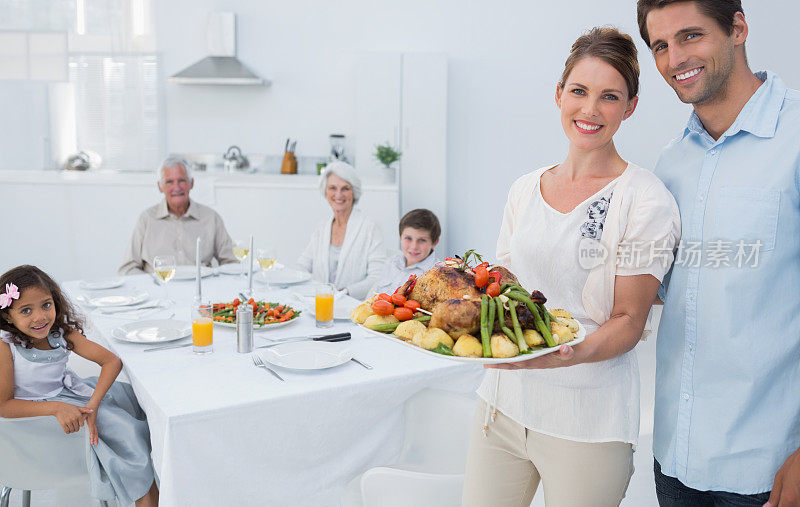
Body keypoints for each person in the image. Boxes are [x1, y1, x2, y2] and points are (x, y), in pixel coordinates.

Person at [461, 27, 681, 506]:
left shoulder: (644, 199)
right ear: (558, 94)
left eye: (609, 96)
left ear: (631, 106)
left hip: (588, 419)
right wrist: (464, 289)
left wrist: (564, 355)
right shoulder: (525, 188)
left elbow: (628, 320)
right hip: (501, 404)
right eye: (578, 91)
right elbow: (506, 287)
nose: (590, 109)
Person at [636, 1, 800, 505]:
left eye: (690, 36)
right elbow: (671, 289)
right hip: (675, 459)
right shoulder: (671, 162)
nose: (674, 58)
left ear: (738, 28)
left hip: (768, 468)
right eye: (660, 45)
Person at [0, 265, 158, 507]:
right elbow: (5, 406)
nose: (40, 317)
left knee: (138, 402)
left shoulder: (61, 333)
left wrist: (93, 405)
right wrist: (55, 408)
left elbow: (111, 361)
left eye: (46, 305)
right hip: (35, 416)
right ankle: (140, 484)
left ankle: (149, 483)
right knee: (126, 431)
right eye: (26, 310)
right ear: (8, 316)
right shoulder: (5, 346)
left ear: (55, 301)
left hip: (71, 396)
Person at [119, 157, 238, 275]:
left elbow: (231, 263)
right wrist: (151, 286)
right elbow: (128, 268)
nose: (176, 187)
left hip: (200, 290)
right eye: (169, 182)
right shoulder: (146, 219)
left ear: (191, 183)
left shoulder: (211, 217)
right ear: (160, 186)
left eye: (181, 180)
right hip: (158, 290)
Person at [297, 161, 386, 300]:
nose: (338, 194)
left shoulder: (370, 227)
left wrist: (342, 293)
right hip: (319, 305)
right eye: (332, 188)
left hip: (352, 308)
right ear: (325, 191)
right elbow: (303, 264)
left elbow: (377, 278)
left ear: (354, 192)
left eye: (345, 188)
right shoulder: (322, 227)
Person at [370, 208, 441, 295]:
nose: (414, 247)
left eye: (422, 240)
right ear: (400, 237)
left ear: (434, 242)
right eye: (408, 238)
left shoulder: (438, 275)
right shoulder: (392, 262)